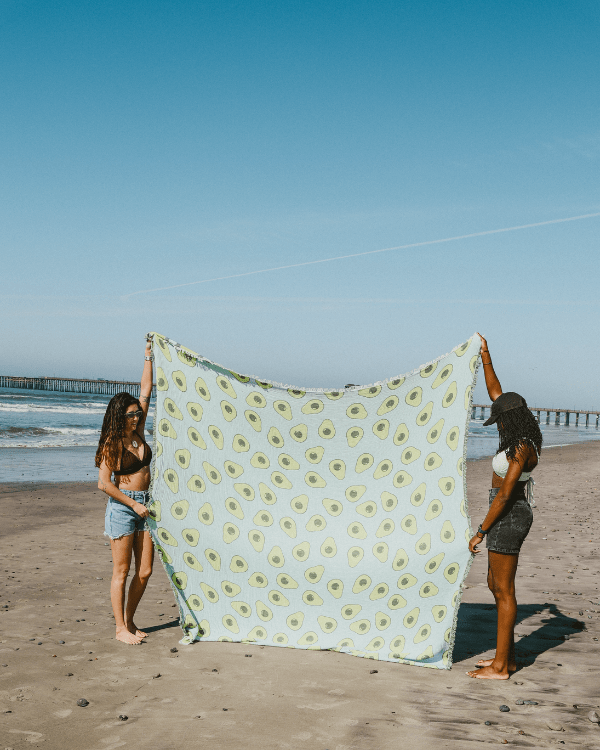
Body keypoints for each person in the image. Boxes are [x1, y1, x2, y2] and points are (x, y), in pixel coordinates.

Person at [466, 334, 542, 679]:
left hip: (509, 515)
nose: (497, 425)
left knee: (505, 590)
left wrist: (481, 530)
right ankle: (505, 658)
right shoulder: (518, 435)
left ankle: (501, 666)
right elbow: (497, 392)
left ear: (508, 421)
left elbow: (505, 494)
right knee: (494, 585)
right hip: (504, 513)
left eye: (499, 420)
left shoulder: (521, 448)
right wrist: (485, 353)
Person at [95, 340, 154, 645]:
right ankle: (120, 628)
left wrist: (148, 355)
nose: (136, 417)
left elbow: (146, 389)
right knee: (122, 571)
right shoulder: (112, 443)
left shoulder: (139, 433)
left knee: (144, 572)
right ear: (120, 416)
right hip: (123, 508)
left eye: (137, 414)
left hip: (146, 507)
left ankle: (129, 620)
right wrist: (132, 503)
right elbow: (105, 484)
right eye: (131, 414)